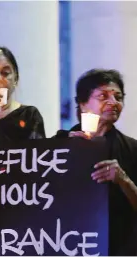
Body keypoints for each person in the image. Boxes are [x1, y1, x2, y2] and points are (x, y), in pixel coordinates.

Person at [55, 69, 137, 255]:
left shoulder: (131, 149)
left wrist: (123, 180)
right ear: (83, 104)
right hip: (69, 244)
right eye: (103, 96)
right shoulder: (59, 144)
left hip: (119, 247)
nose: (113, 102)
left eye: (118, 97)